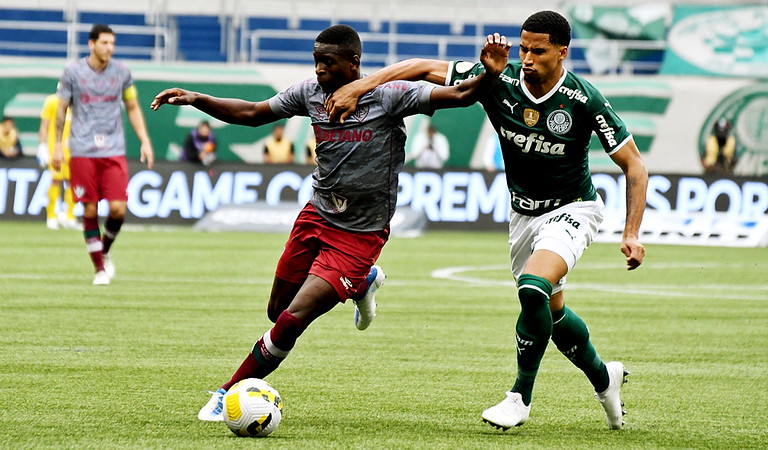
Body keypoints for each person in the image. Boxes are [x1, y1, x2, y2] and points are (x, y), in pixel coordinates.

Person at [151, 24, 509, 422]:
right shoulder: (311, 93)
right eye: (316, 60)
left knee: (292, 320)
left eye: (328, 61)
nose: (319, 69)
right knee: (278, 311)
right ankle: (364, 281)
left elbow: (458, 94)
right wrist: (198, 98)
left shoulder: (390, 96)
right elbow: (253, 114)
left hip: (359, 234)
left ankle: (226, 392)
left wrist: (490, 74)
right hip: (316, 216)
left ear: (353, 63)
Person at [327, 10, 647, 431]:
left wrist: (631, 232)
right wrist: (360, 85)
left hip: (574, 209)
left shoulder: (584, 99)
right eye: (524, 48)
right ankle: (606, 379)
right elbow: (421, 67)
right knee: (552, 313)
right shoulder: (498, 78)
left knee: (533, 289)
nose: (527, 57)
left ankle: (519, 397)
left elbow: (635, 166)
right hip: (523, 215)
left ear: (562, 52)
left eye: (539, 50)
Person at [53, 23, 154, 286]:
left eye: (112, 43)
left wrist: (144, 139)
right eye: (104, 43)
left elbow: (132, 106)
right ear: (91, 44)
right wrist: (55, 145)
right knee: (89, 207)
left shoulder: (122, 73)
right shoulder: (73, 72)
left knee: (118, 209)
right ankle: (99, 269)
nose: (109, 48)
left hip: (113, 149)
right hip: (82, 149)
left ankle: (104, 250)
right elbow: (61, 109)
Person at [39, 88, 80, 230]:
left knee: (73, 182)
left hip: (73, 150)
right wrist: (42, 145)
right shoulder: (52, 101)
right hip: (55, 149)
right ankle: (51, 215)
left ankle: (69, 215)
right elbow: (44, 125)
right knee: (55, 180)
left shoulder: (78, 103)